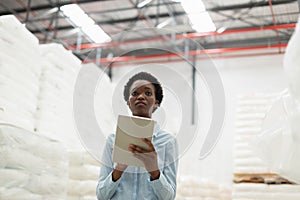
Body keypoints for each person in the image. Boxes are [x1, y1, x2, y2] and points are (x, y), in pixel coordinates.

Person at [96, 72, 178, 200]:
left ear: (156, 102)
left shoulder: (168, 142)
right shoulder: (112, 141)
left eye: (148, 93)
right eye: (134, 93)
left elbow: (169, 197)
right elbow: (101, 196)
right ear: (128, 102)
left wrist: (154, 171)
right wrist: (119, 169)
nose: (140, 96)